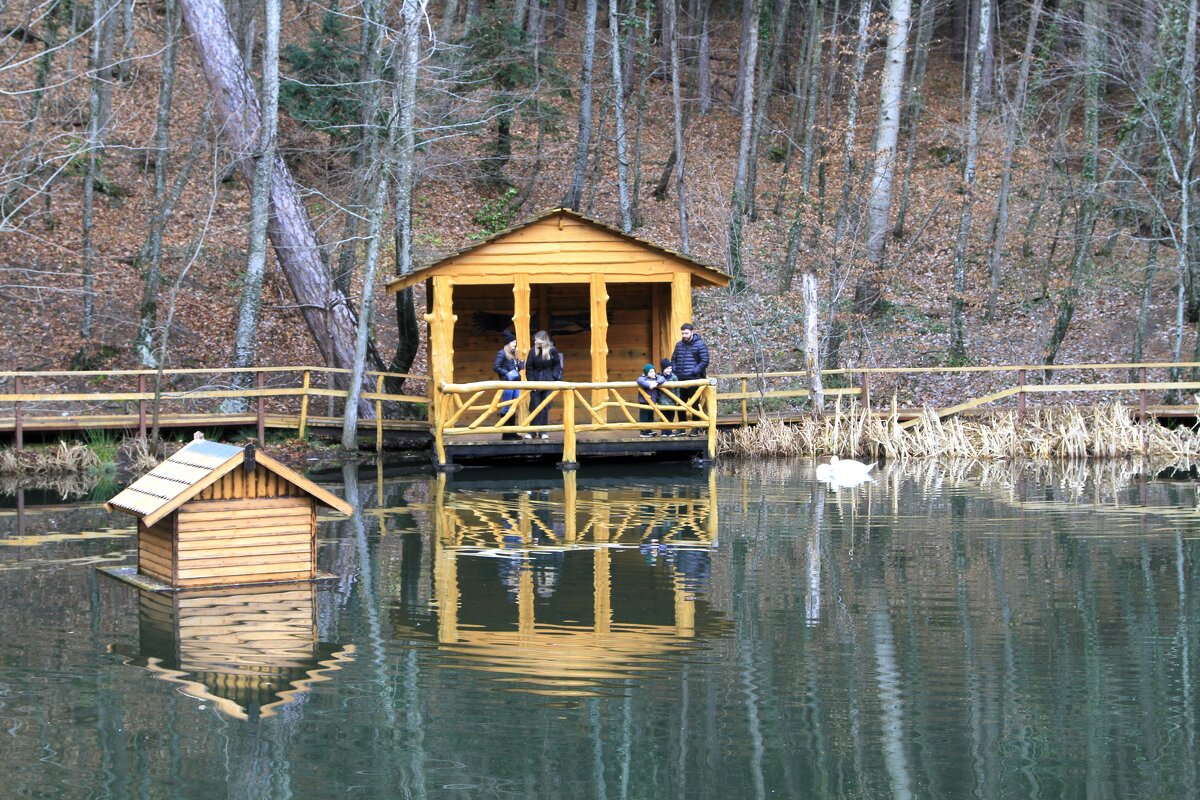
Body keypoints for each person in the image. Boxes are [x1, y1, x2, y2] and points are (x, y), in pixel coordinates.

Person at [670, 323, 710, 435]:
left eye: (686, 333)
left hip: (694, 380)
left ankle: (695, 428)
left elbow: (704, 361)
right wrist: (675, 370)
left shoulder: (700, 345)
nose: (684, 335)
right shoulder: (679, 345)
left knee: (695, 404)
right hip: (680, 380)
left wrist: (694, 371)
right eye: (682, 333)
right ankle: (681, 427)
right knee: (680, 404)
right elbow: (673, 359)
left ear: (692, 332)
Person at [524, 330, 563, 439]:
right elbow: (529, 368)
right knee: (534, 406)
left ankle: (543, 431)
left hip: (548, 380)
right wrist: (531, 383)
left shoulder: (552, 350)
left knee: (545, 407)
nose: (535, 341)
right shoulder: (532, 351)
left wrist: (554, 377)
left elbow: (557, 365)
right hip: (536, 382)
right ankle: (532, 432)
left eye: (536, 340)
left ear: (543, 340)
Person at [493, 333, 526, 440]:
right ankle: (506, 433)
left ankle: (512, 432)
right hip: (507, 383)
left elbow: (515, 370)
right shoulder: (501, 353)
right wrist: (507, 374)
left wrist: (520, 367)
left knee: (513, 406)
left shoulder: (513, 354)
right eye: (513, 343)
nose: (515, 345)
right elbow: (496, 367)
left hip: (515, 383)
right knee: (506, 407)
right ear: (508, 343)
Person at [636, 364, 665, 437]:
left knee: (650, 416)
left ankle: (649, 430)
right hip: (644, 401)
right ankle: (643, 432)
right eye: (650, 372)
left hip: (652, 401)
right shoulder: (643, 378)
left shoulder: (656, 378)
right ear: (646, 373)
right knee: (644, 417)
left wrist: (657, 383)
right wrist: (649, 385)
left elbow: (662, 378)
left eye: (654, 371)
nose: (653, 373)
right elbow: (640, 381)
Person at [658, 357, 682, 436]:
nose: (669, 370)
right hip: (662, 401)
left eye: (670, 368)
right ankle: (663, 432)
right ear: (663, 368)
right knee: (663, 416)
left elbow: (677, 389)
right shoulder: (658, 377)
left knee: (671, 417)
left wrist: (677, 400)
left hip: (672, 400)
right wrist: (657, 399)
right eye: (667, 368)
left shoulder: (674, 377)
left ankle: (669, 431)